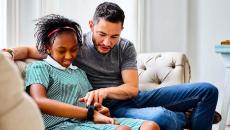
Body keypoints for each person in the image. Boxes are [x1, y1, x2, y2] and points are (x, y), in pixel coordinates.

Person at [2, 2, 220, 130]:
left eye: (114, 36)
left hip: (131, 96)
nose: (107, 42)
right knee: (161, 118)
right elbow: (37, 50)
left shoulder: (123, 47)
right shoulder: (74, 45)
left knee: (208, 91)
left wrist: (101, 92)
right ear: (91, 26)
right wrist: (10, 53)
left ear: (122, 30)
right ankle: (189, 117)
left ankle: (194, 115)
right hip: (110, 107)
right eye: (102, 34)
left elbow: (132, 89)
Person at [23, 14, 160, 130]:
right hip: (60, 125)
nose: (69, 56)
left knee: (150, 126)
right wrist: (90, 114)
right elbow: (39, 100)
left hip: (86, 121)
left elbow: (89, 103)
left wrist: (99, 109)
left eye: (74, 49)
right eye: (62, 50)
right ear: (48, 47)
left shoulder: (80, 72)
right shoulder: (40, 67)